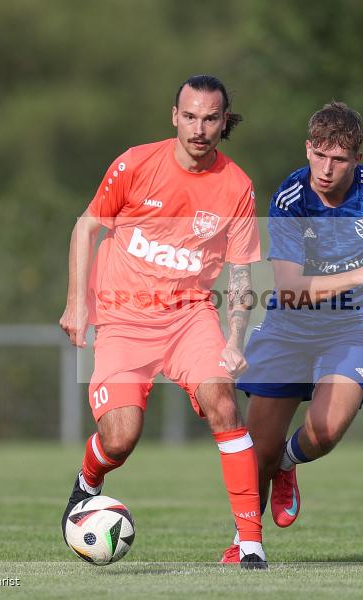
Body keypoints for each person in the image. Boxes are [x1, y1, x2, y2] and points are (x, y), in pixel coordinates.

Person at [221, 101, 363, 562]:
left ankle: (290, 465)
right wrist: (362, 273)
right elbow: (289, 291)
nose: (327, 169)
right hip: (291, 327)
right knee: (257, 453)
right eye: (320, 155)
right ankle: (246, 544)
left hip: (355, 324)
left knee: (325, 432)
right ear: (308, 149)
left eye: (340, 159)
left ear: (357, 160)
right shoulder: (290, 200)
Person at [59, 75, 267, 569]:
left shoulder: (236, 187)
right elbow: (87, 226)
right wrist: (76, 303)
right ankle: (89, 481)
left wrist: (235, 338)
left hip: (189, 316)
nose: (199, 128)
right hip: (123, 318)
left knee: (223, 402)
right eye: (190, 116)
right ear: (174, 116)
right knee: (121, 438)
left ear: (224, 122)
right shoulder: (135, 164)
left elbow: (241, 275)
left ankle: (250, 545)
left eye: (210, 118)